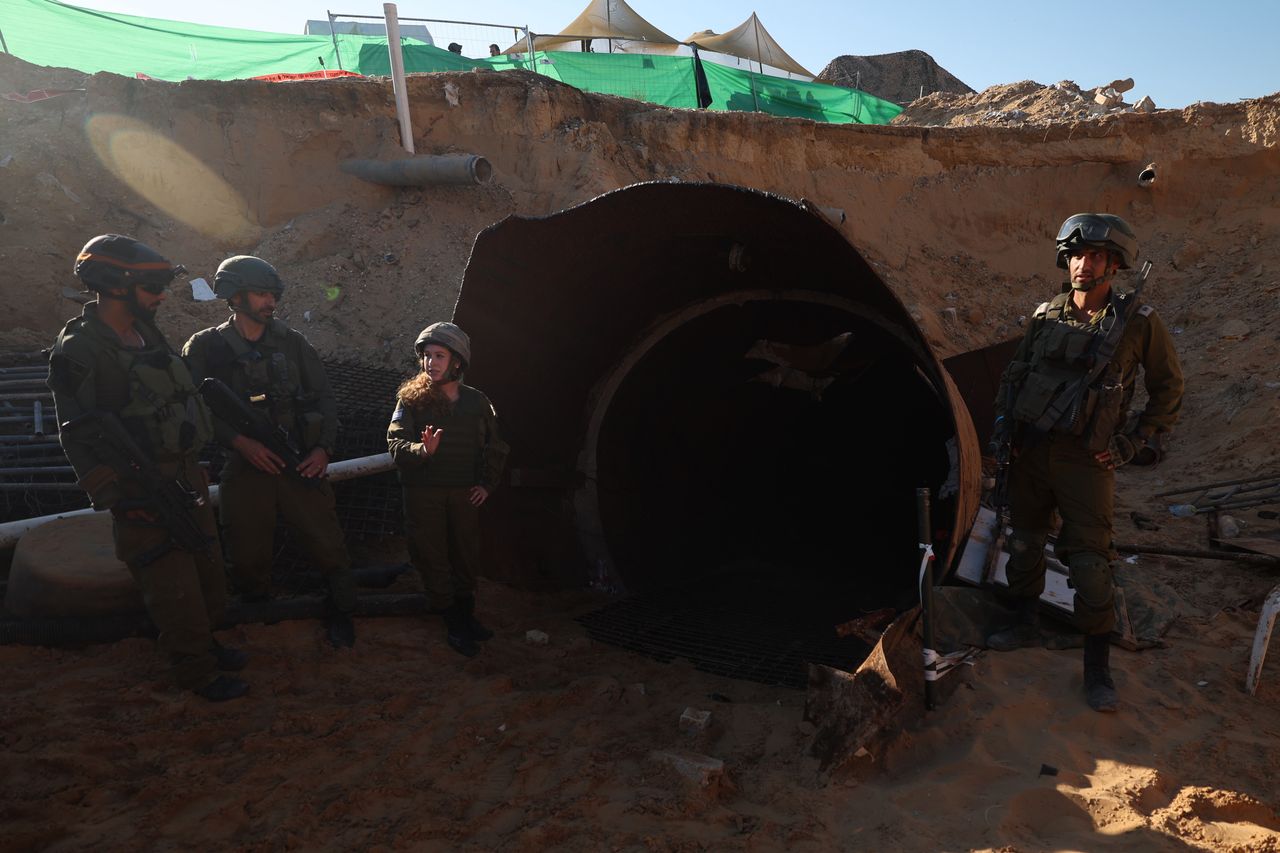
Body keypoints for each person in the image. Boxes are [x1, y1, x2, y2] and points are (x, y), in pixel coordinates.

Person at [986, 213, 1184, 712]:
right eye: (1075, 255)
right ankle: (1024, 621)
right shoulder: (1045, 315)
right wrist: (1004, 434)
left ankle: (1096, 668)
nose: (1082, 264)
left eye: (1094, 255)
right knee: (1024, 542)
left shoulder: (1138, 323)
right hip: (1031, 450)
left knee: (1091, 565)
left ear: (1114, 265)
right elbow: (1016, 377)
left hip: (1086, 461)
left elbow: (1169, 389)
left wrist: (1134, 441)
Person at [47, 235, 248, 702]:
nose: (161, 296)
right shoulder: (80, 349)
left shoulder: (145, 330)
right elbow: (75, 434)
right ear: (117, 284)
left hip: (182, 473)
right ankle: (195, 670)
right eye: (153, 286)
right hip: (139, 485)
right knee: (170, 582)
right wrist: (118, 499)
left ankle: (205, 643)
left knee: (204, 571)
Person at [181, 255, 357, 649]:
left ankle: (342, 611)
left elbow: (324, 398)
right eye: (261, 294)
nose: (270, 303)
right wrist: (240, 442)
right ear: (234, 296)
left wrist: (322, 449)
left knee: (327, 543)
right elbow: (192, 405)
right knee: (246, 551)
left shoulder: (292, 343)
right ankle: (256, 613)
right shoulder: (206, 347)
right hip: (245, 466)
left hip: (298, 460)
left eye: (272, 295)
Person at [387, 322, 508, 657]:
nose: (431, 362)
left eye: (439, 355)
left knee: (465, 554)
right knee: (432, 555)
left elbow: (495, 446)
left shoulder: (476, 402)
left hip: (463, 494)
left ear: (457, 361)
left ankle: (466, 614)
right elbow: (395, 442)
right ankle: (452, 621)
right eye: (427, 356)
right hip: (424, 494)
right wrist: (422, 452)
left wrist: (487, 484)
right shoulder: (410, 399)